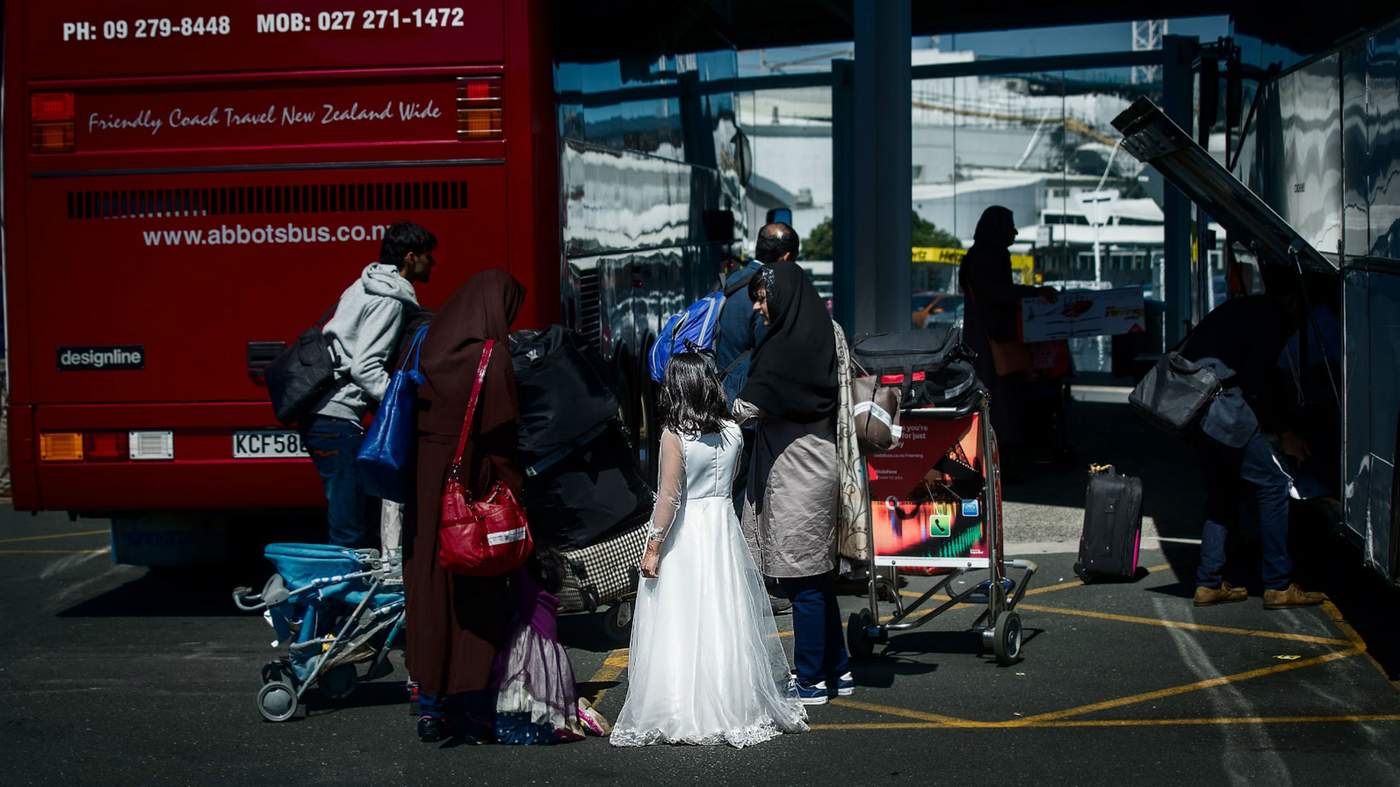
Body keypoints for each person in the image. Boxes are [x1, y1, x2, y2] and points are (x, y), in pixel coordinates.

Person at [610, 353, 808, 748]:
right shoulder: (733, 431)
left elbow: (669, 498)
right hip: (721, 529)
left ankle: (683, 705)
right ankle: (732, 702)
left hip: (687, 532)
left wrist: (652, 547)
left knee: (681, 619)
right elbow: (728, 481)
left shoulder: (674, 434)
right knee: (725, 616)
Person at [404, 269, 524, 744]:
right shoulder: (490, 358)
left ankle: (428, 701)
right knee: (474, 595)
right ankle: (470, 703)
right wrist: (517, 497)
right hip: (471, 494)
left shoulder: (423, 344)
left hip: (425, 493)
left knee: (429, 592)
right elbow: (503, 444)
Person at [735, 255, 853, 706]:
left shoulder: (784, 347)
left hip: (793, 471)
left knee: (801, 580)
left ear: (783, 296)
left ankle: (810, 681)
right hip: (819, 463)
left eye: (763, 300)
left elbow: (751, 405)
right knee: (818, 577)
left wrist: (717, 412)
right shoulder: (828, 332)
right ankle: (837, 670)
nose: (759, 310)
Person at [1179, 267, 1326, 610]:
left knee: (1222, 493)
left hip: (1194, 413)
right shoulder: (1270, 318)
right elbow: (1259, 386)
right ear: (1293, 301)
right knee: (1273, 484)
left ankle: (1208, 582)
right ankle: (1278, 584)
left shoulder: (1240, 308)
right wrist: (1285, 433)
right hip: (1223, 414)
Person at [302, 221, 435, 546]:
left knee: (348, 522)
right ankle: (339, 596)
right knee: (349, 531)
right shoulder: (388, 300)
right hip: (338, 417)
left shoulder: (361, 285)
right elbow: (365, 367)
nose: (432, 263)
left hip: (321, 414)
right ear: (409, 257)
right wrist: (401, 405)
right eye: (427, 256)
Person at [958, 206, 1057, 480]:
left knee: (991, 400)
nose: (1014, 232)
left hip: (982, 339)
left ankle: (991, 458)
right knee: (1003, 401)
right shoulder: (994, 255)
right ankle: (1004, 462)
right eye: (1010, 226)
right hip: (995, 341)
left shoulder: (975, 255)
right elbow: (1000, 294)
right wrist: (1033, 292)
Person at [493, 552, 609, 744]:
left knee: (522, 657)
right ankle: (569, 709)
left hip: (522, 563)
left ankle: (562, 713)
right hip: (540, 565)